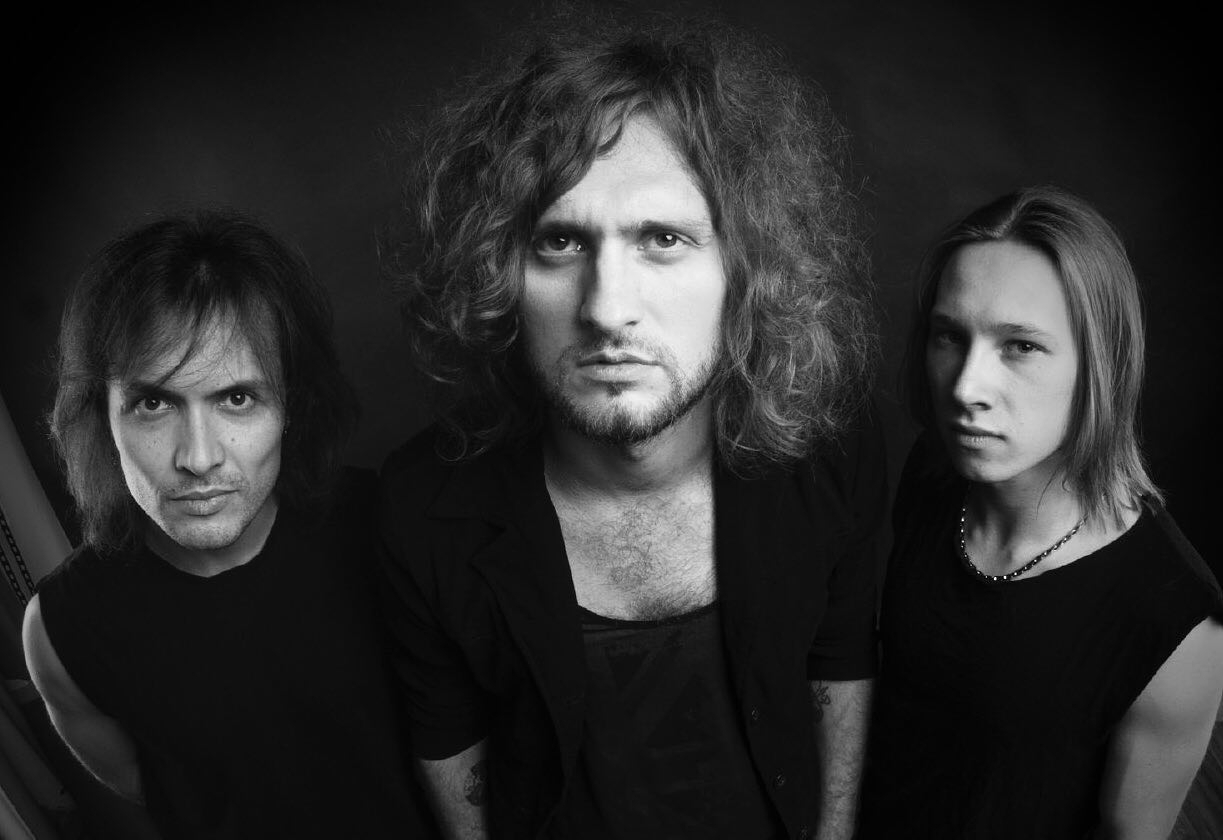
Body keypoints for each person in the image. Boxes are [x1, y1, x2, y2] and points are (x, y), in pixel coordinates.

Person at [378, 12, 885, 840]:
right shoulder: (421, 508)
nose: (607, 309)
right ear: (497, 271)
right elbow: (448, 738)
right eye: (558, 241)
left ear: (745, 266)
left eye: (661, 239)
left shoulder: (828, 447)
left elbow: (839, 658)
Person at [22, 210, 435, 838]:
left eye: (237, 398)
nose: (198, 458)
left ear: (290, 405)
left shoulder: (387, 526)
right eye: (154, 403)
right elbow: (157, 792)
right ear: (103, 416)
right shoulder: (60, 632)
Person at [858, 185, 1223, 839]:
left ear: (1101, 364)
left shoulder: (1176, 621)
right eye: (950, 336)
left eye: (1020, 346)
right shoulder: (935, 473)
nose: (966, 387)